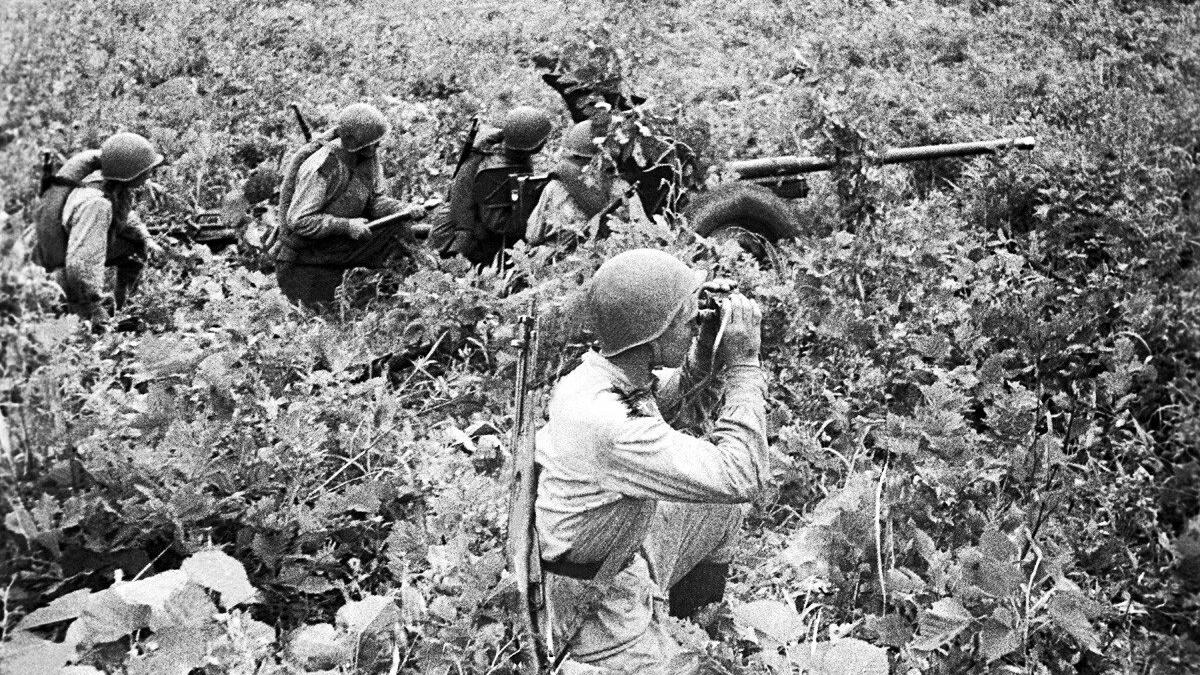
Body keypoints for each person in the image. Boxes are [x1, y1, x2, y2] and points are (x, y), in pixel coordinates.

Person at [534, 249, 768, 673]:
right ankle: (642, 646)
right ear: (652, 337)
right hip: (592, 602)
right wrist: (744, 366)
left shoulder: (601, 376)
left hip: (619, 551)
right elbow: (742, 474)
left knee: (721, 510)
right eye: (686, 320)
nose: (695, 322)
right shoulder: (608, 423)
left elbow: (672, 400)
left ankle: (692, 625)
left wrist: (705, 344)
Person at [274, 103, 423, 308]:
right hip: (308, 254)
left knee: (399, 231)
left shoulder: (367, 158)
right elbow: (299, 221)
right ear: (358, 144)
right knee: (321, 304)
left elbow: (375, 202)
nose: (378, 147)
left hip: (338, 244)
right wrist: (346, 226)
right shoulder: (323, 167)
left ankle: (403, 293)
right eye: (373, 143)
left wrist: (402, 209)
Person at [33, 132, 166, 324]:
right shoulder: (96, 205)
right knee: (72, 321)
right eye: (146, 170)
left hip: (67, 256)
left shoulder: (113, 186)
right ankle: (77, 313)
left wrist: (147, 239)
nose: (150, 173)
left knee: (135, 246)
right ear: (130, 174)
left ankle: (124, 307)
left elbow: (125, 218)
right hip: (51, 272)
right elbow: (82, 265)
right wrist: (94, 306)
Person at [434, 105, 552, 265]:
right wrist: (532, 215)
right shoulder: (495, 171)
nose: (545, 141)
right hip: (463, 235)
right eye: (542, 140)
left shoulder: (494, 144)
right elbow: (496, 224)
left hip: (467, 214)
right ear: (532, 146)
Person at [524, 120, 648, 250]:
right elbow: (642, 233)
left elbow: (533, 235)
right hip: (610, 254)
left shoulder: (554, 187)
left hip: (560, 256)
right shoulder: (622, 188)